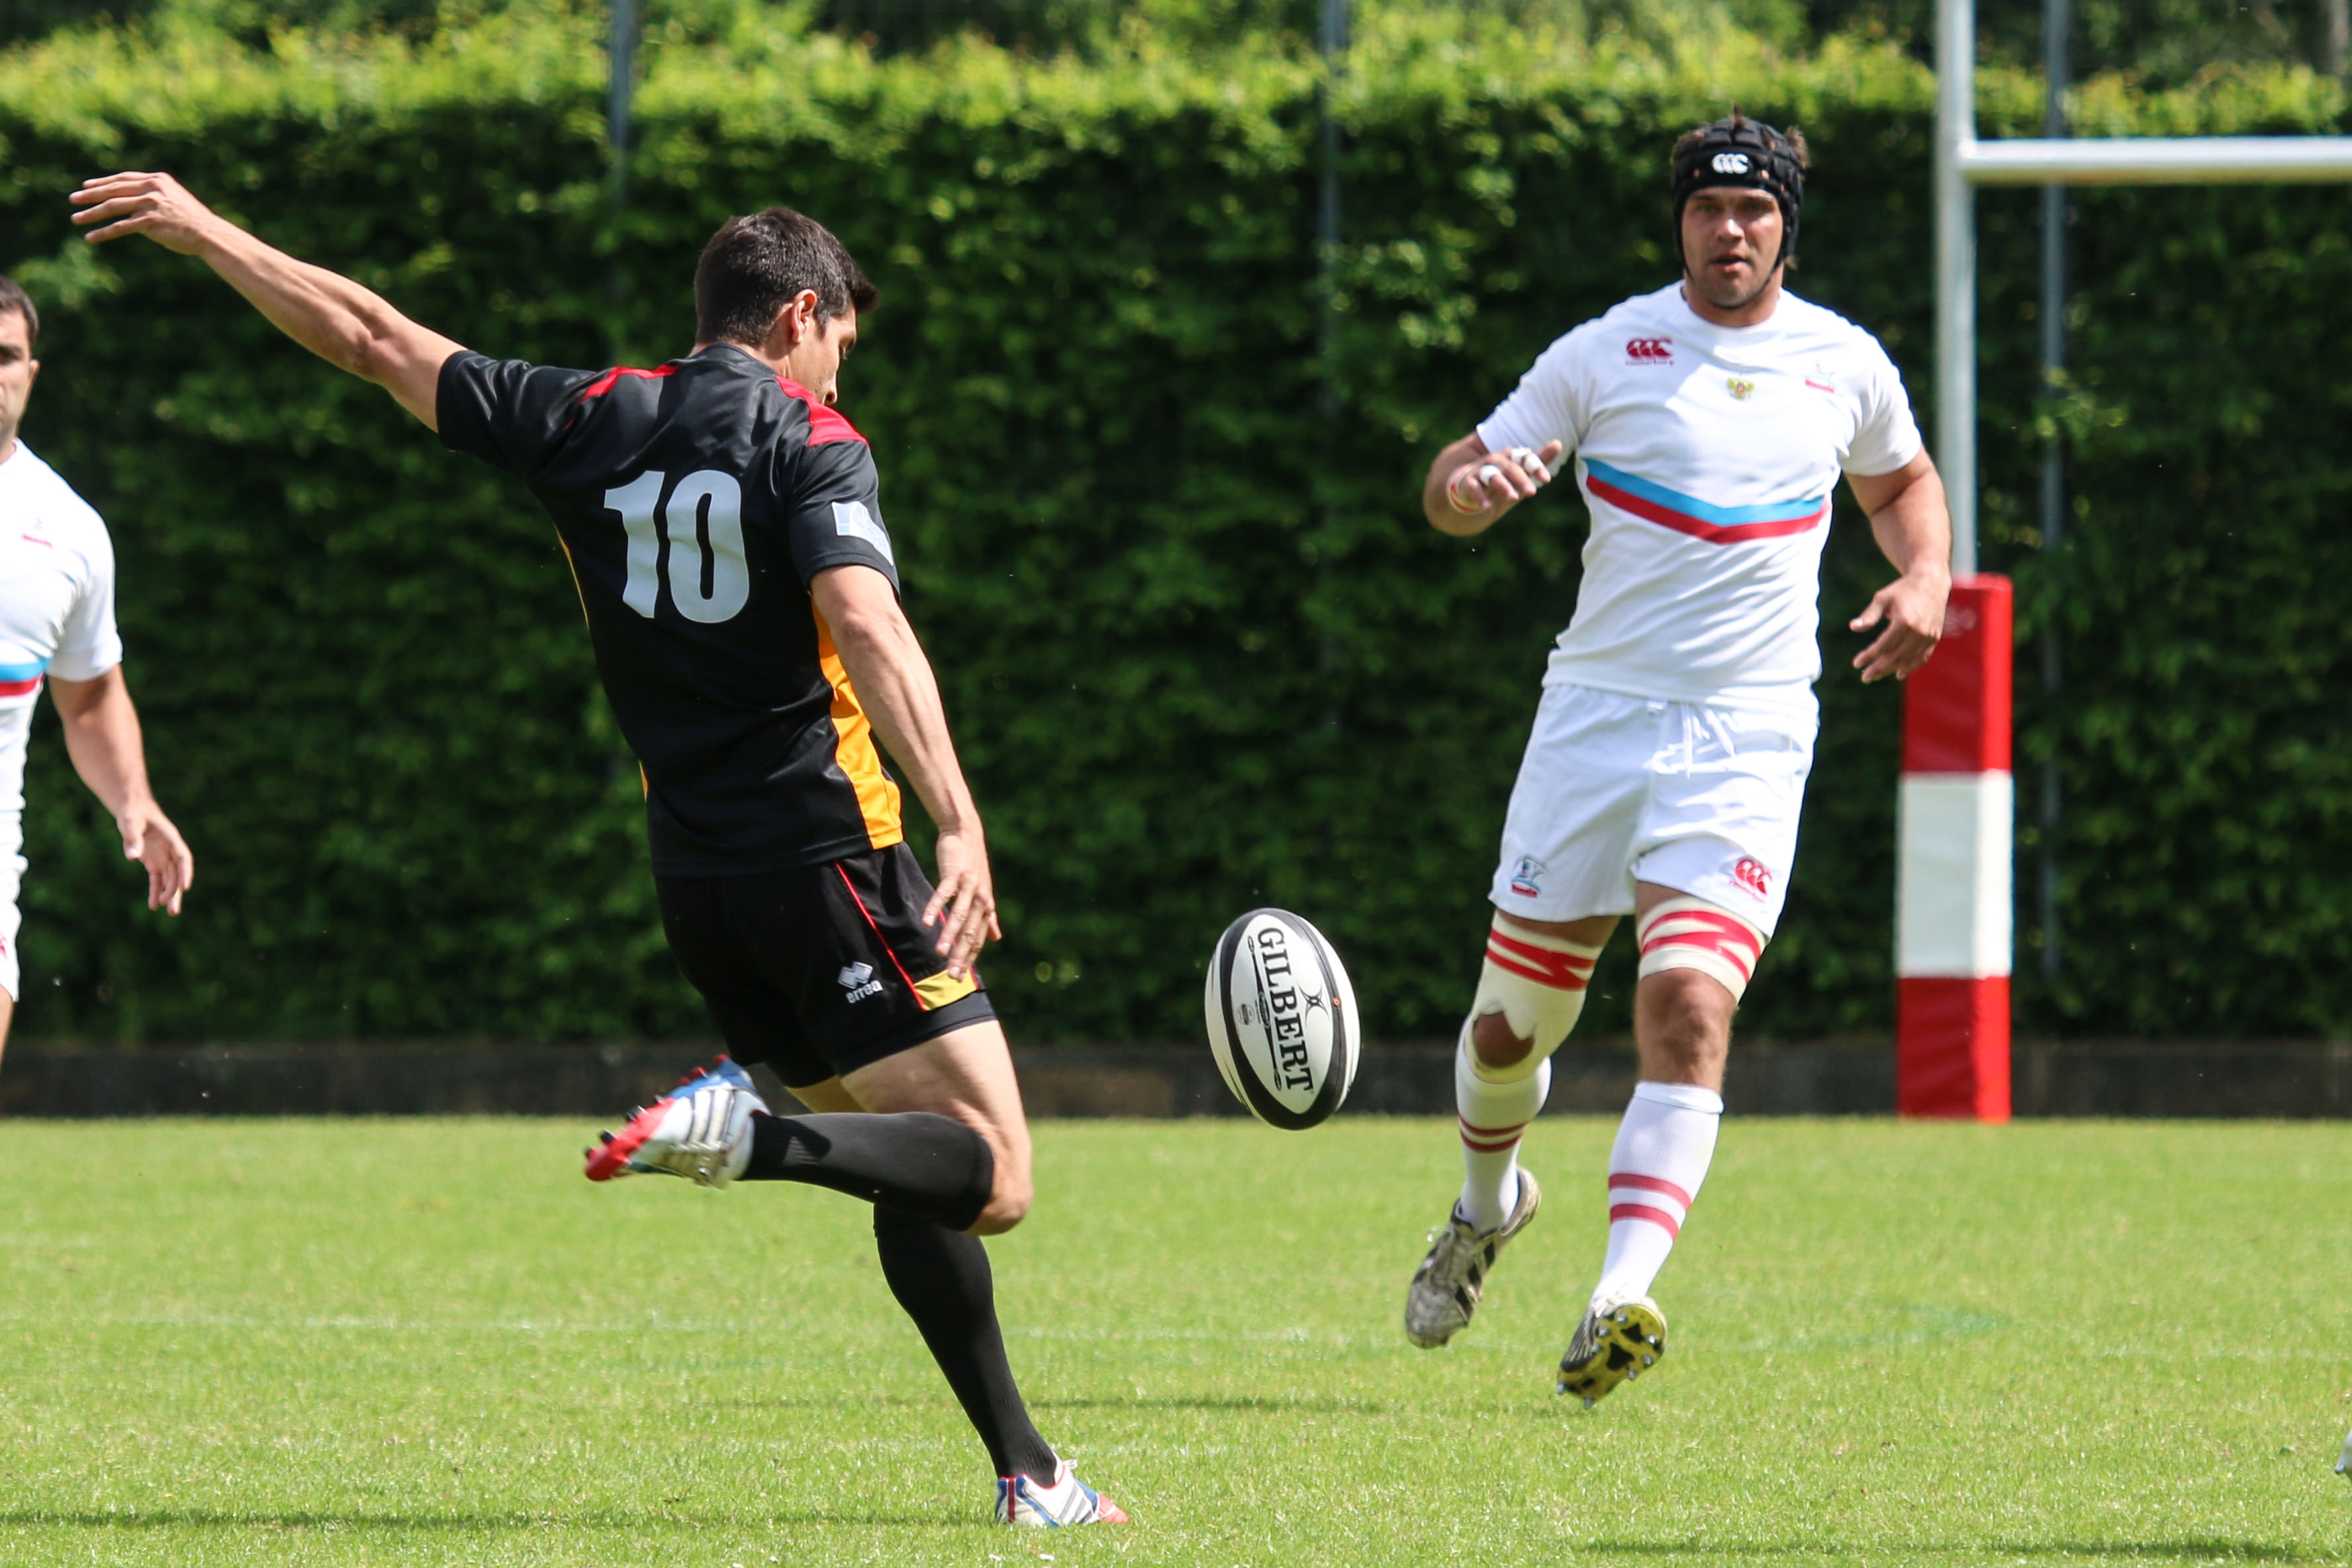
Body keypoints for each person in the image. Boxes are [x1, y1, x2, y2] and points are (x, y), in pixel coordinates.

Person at [71, 171, 1123, 1528]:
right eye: (841, 339)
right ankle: (753, 1136)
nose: (840, 367)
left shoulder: (588, 414)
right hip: (830, 861)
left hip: (700, 887)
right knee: (993, 1170)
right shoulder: (811, 438)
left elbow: (371, 337)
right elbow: (866, 620)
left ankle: (1030, 1472)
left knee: (897, 1148)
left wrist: (207, 228)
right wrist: (960, 815)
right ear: (798, 314)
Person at [1397, 116, 1951, 1405]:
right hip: (1594, 721)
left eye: (1752, 211)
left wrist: (1925, 571)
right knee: (1508, 1027)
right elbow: (1453, 473)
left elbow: (1901, 485)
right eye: (1707, 209)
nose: (1729, 230)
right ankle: (1485, 1204)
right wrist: (1466, 493)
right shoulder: (1607, 349)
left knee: (1691, 1006)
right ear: (1681, 224)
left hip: (1747, 734)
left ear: (1785, 227)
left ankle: (1619, 1293)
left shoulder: (1843, 362)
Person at [0, 274, 193, 1067]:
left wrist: (133, 796)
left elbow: (88, 697)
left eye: (4, 355)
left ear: (31, 371)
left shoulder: (69, 532)